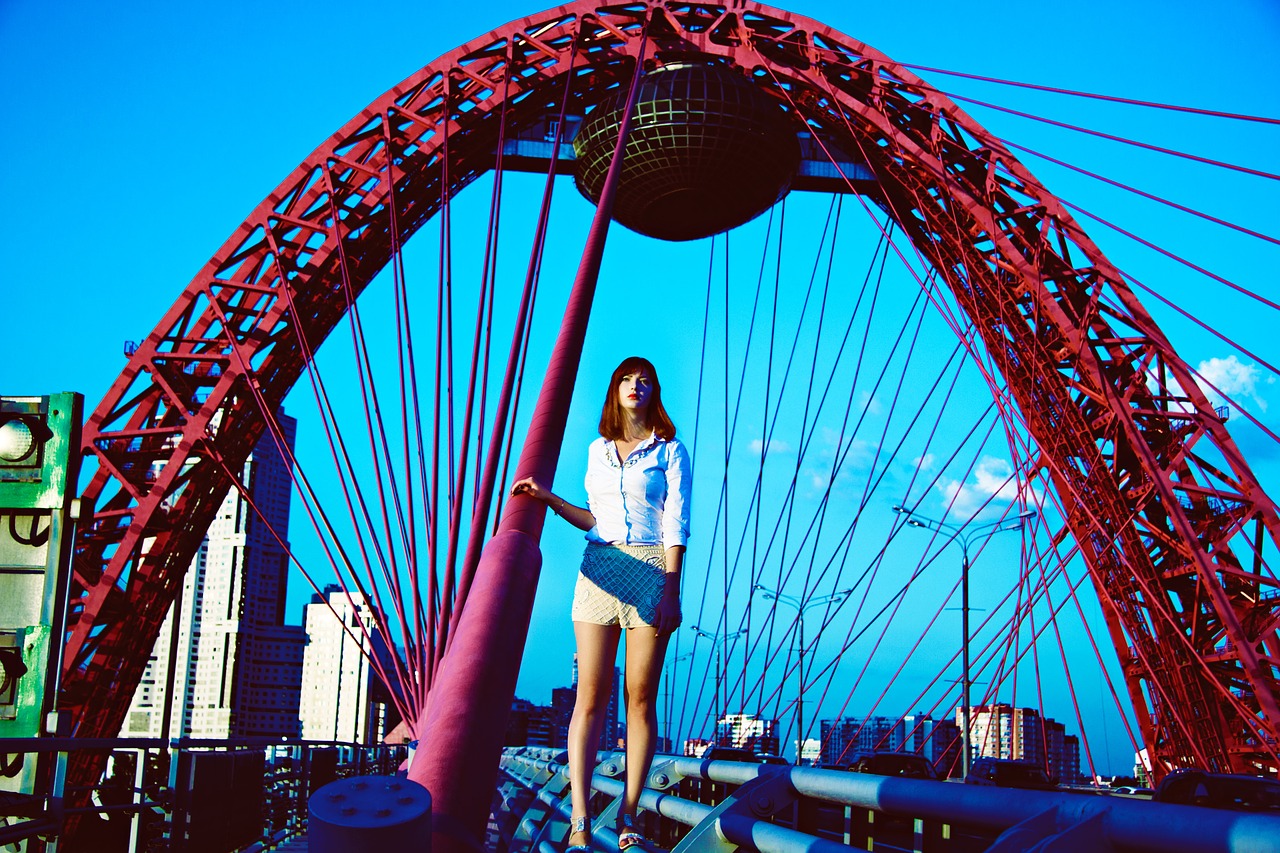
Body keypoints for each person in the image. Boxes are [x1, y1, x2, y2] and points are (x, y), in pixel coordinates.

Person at [511, 356, 691, 851]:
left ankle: (629, 815)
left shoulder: (671, 452)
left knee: (639, 697)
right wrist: (547, 498)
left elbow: (676, 523)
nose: (637, 385)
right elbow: (595, 518)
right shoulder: (597, 450)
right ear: (615, 391)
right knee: (589, 697)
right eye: (627, 379)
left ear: (655, 392)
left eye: (645, 380)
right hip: (598, 566)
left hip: (652, 567)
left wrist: (671, 588)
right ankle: (582, 821)